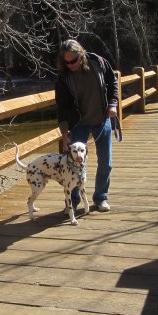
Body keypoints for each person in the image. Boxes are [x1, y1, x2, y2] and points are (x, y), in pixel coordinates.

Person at [55, 39, 119, 213]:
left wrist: (113, 104)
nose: (70, 65)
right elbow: (62, 105)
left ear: (81, 55)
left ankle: (100, 198)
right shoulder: (63, 76)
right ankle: (73, 202)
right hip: (78, 123)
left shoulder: (98, 62)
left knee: (106, 162)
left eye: (73, 61)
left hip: (102, 119)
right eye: (66, 62)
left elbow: (113, 83)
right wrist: (64, 132)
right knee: (71, 164)